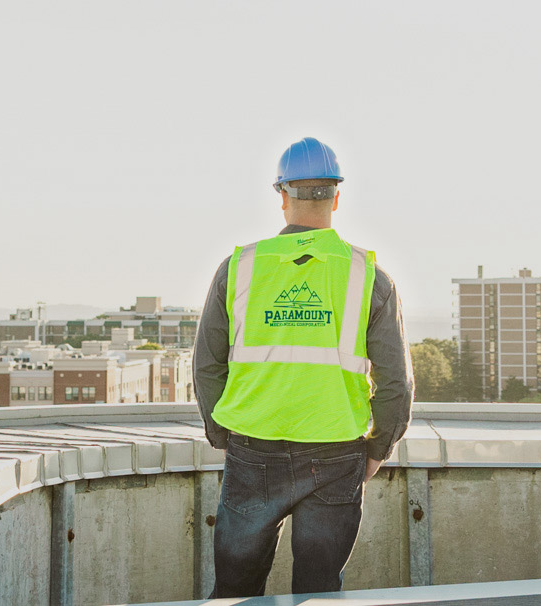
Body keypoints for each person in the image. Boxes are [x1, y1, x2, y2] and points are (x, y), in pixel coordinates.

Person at [194, 137, 412, 597]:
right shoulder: (369, 276)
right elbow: (396, 382)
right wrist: (377, 449)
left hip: (253, 449)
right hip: (336, 451)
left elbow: (207, 365)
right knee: (316, 592)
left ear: (282, 195)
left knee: (235, 589)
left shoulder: (237, 268)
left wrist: (222, 435)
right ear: (336, 196)